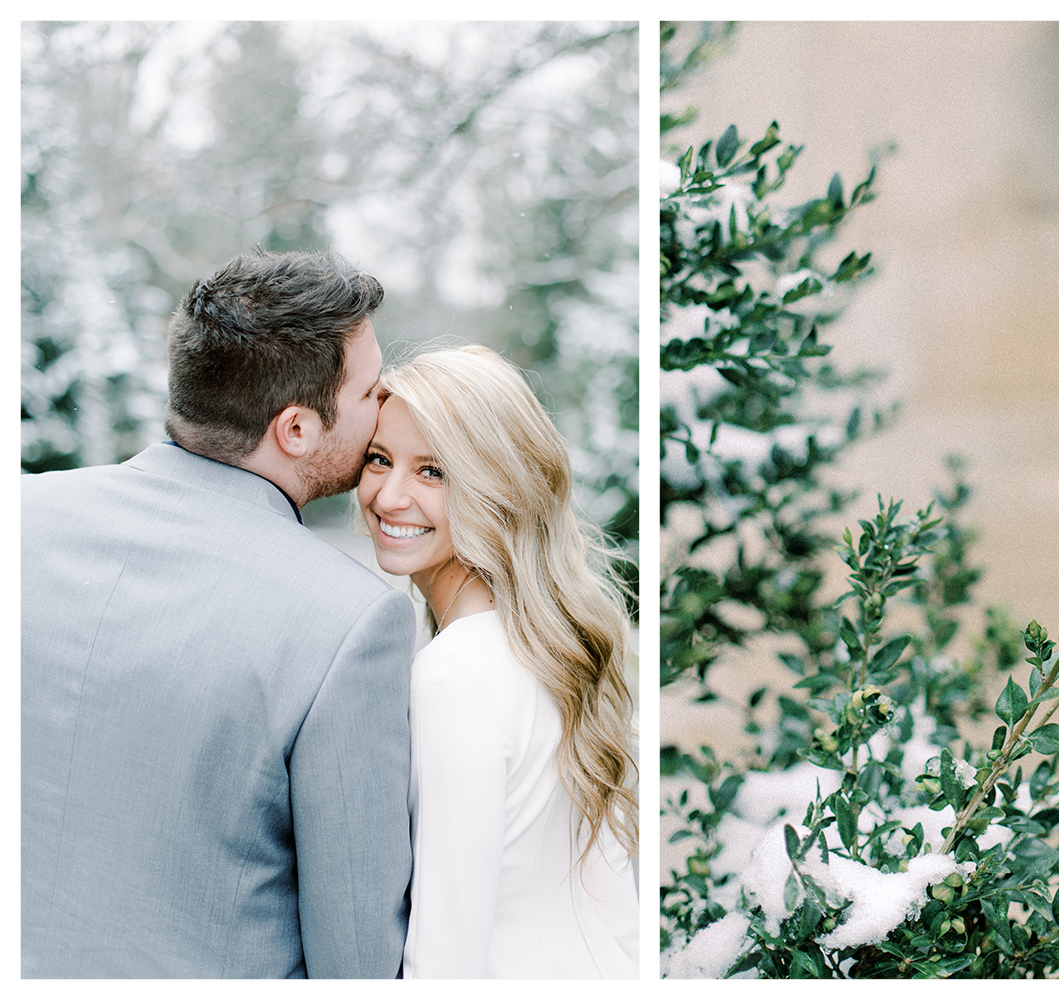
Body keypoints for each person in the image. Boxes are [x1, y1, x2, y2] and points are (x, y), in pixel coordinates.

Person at [21, 248, 416, 978]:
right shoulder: (350, 623)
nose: (386, 407)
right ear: (296, 429)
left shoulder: (21, 518)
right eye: (371, 393)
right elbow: (357, 962)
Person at [357, 346, 639, 978]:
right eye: (380, 459)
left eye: (433, 471)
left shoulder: (455, 674)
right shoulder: (554, 646)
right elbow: (621, 912)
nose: (389, 495)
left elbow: (446, 959)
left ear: (496, 487)